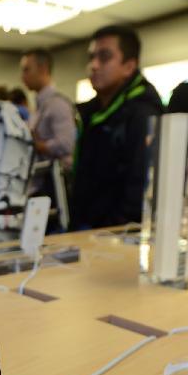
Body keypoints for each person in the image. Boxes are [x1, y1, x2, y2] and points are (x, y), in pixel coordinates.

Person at [71, 25, 163, 229]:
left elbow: (138, 192)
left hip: (112, 238)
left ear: (129, 66)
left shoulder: (143, 114)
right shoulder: (94, 111)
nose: (93, 65)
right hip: (86, 229)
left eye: (104, 57)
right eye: (91, 57)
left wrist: (109, 233)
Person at [20, 48, 75, 171]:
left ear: (42, 69)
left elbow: (66, 144)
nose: (22, 77)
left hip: (54, 183)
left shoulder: (58, 104)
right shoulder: (41, 105)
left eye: (27, 70)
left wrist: (38, 146)